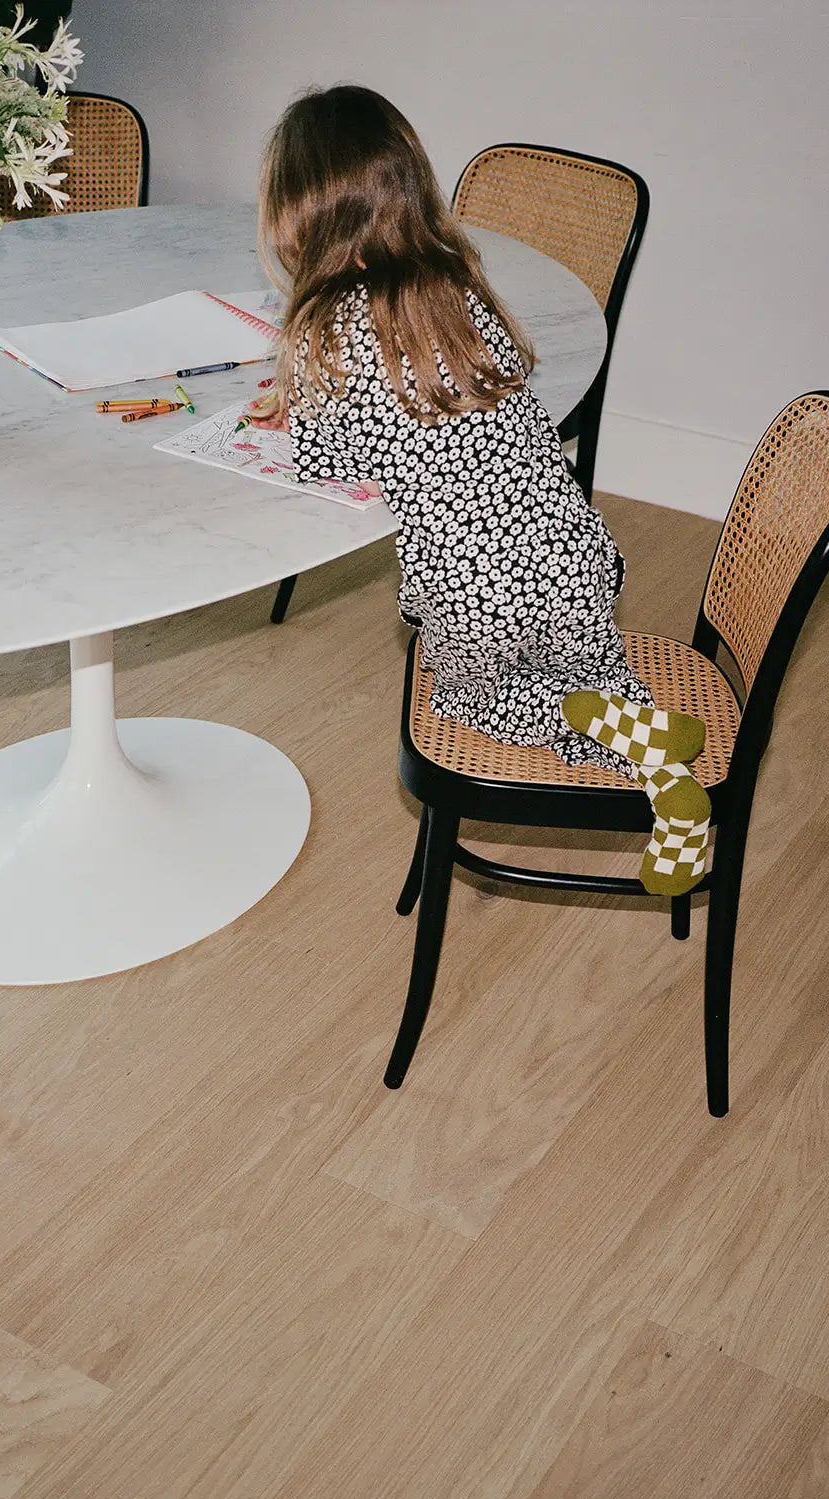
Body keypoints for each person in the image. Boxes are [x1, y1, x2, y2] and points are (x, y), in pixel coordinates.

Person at [251, 84, 708, 896]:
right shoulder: (459, 288)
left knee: (468, 701)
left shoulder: (319, 330)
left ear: (299, 217)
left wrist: (297, 402)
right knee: (589, 660)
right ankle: (636, 736)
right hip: (578, 556)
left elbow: (327, 461)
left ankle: (576, 720)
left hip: (474, 594)